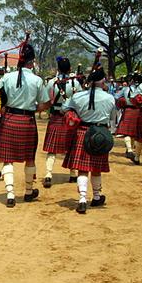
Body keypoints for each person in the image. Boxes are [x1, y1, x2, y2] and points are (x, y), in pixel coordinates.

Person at [0, 41, 50, 207]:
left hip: (9, 120)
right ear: (32, 62)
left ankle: (10, 194)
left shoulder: (6, 77)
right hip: (28, 121)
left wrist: (2, 109)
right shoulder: (37, 80)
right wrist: (33, 108)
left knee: (7, 159)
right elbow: (46, 103)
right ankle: (29, 192)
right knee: (29, 158)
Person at [61, 65, 115, 213]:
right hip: (101, 133)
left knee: (83, 169)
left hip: (83, 132)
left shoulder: (78, 96)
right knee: (96, 168)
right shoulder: (110, 98)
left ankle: (82, 199)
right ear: (103, 81)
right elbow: (112, 118)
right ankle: (96, 196)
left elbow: (64, 108)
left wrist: (73, 112)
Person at [41, 56, 82, 187]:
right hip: (70, 118)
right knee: (72, 147)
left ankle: (48, 174)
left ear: (58, 68)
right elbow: (80, 99)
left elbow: (47, 100)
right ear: (70, 68)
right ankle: (72, 174)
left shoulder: (52, 82)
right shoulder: (75, 83)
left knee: (52, 149)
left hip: (56, 117)